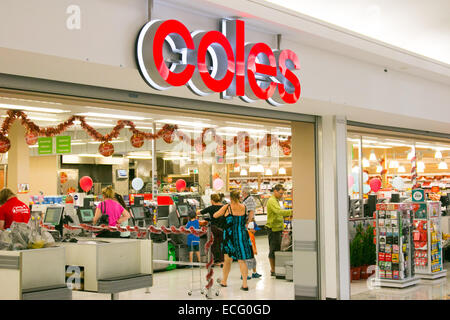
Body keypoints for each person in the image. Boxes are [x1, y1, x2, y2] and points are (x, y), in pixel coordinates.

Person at [213, 190, 253, 291]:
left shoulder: (227, 207)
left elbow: (215, 215)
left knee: (227, 260)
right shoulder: (244, 207)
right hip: (242, 235)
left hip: (230, 236)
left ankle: (224, 281)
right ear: (239, 197)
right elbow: (247, 219)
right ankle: (244, 284)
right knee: (242, 260)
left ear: (230, 197)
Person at [266, 184, 292, 276]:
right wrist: (292, 211)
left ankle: (275, 268)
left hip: (277, 228)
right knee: (273, 249)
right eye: (280, 193)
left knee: (276, 249)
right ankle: (273, 270)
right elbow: (278, 212)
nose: (282, 195)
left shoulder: (276, 200)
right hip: (273, 229)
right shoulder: (272, 201)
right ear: (275, 191)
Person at [198, 193, 225, 266]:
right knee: (221, 244)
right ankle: (222, 260)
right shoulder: (224, 207)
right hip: (223, 228)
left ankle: (216, 260)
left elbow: (199, 212)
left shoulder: (211, 208)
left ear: (212, 200)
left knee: (214, 244)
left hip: (214, 228)